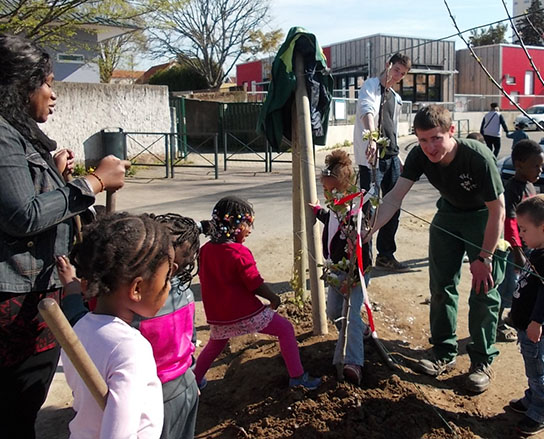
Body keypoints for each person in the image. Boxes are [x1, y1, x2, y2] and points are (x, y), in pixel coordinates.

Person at [0, 33, 128, 438]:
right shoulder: (2, 135)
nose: (53, 95)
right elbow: (21, 216)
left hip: (33, 299)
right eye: (48, 83)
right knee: (14, 410)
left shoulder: (17, 136)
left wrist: (54, 175)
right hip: (15, 306)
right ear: (21, 85)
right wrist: (93, 183)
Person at [367, 104, 507, 394]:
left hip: (483, 218)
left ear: (450, 131)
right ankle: (443, 352)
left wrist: (485, 256)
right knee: (441, 286)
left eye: (436, 138)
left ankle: (481, 361)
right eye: (422, 139)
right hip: (448, 215)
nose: (429, 147)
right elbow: (395, 196)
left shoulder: (477, 157)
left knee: (484, 288)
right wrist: (369, 229)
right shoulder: (419, 156)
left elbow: (499, 211)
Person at [58, 212, 205, 439]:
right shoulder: (132, 349)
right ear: (137, 289)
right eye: (166, 278)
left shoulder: (80, 329)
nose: (169, 288)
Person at [193, 196, 321, 390]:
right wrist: (273, 298)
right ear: (235, 225)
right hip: (245, 312)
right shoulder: (238, 252)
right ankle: (297, 377)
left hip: (218, 315)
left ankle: (194, 382)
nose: (249, 230)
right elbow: (254, 283)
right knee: (285, 329)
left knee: (216, 344)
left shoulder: (205, 251)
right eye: (247, 224)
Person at [310, 149, 372, 386]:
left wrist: (354, 278)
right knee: (334, 312)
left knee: (350, 316)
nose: (329, 193)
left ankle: (353, 362)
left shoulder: (356, 214)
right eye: (325, 189)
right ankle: (363, 333)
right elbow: (330, 221)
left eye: (334, 189)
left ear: (347, 188)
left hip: (355, 272)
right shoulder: (336, 209)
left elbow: (362, 249)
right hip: (336, 270)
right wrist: (318, 212)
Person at [507, 194, 544, 436]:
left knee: (540, 370)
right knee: (533, 367)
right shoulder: (537, 251)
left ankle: (541, 412)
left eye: (524, 230)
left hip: (537, 330)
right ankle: (532, 398)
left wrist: (536, 321)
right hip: (527, 327)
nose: (521, 235)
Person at [353, 52, 411, 270]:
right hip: (372, 158)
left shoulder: (395, 98)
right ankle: (363, 257)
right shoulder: (370, 86)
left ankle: (385, 255)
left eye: (403, 74)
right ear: (388, 65)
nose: (398, 76)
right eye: (396, 70)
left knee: (393, 205)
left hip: (392, 157)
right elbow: (366, 110)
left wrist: (398, 155)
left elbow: (392, 128)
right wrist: (371, 139)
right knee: (368, 205)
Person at [498, 139, 544, 343]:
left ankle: (512, 317)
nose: (540, 170)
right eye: (536, 166)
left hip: (529, 249)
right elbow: (509, 223)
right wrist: (517, 251)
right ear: (519, 164)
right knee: (507, 288)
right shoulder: (512, 190)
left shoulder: (530, 187)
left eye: (541, 166)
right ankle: (497, 323)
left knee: (522, 287)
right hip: (513, 251)